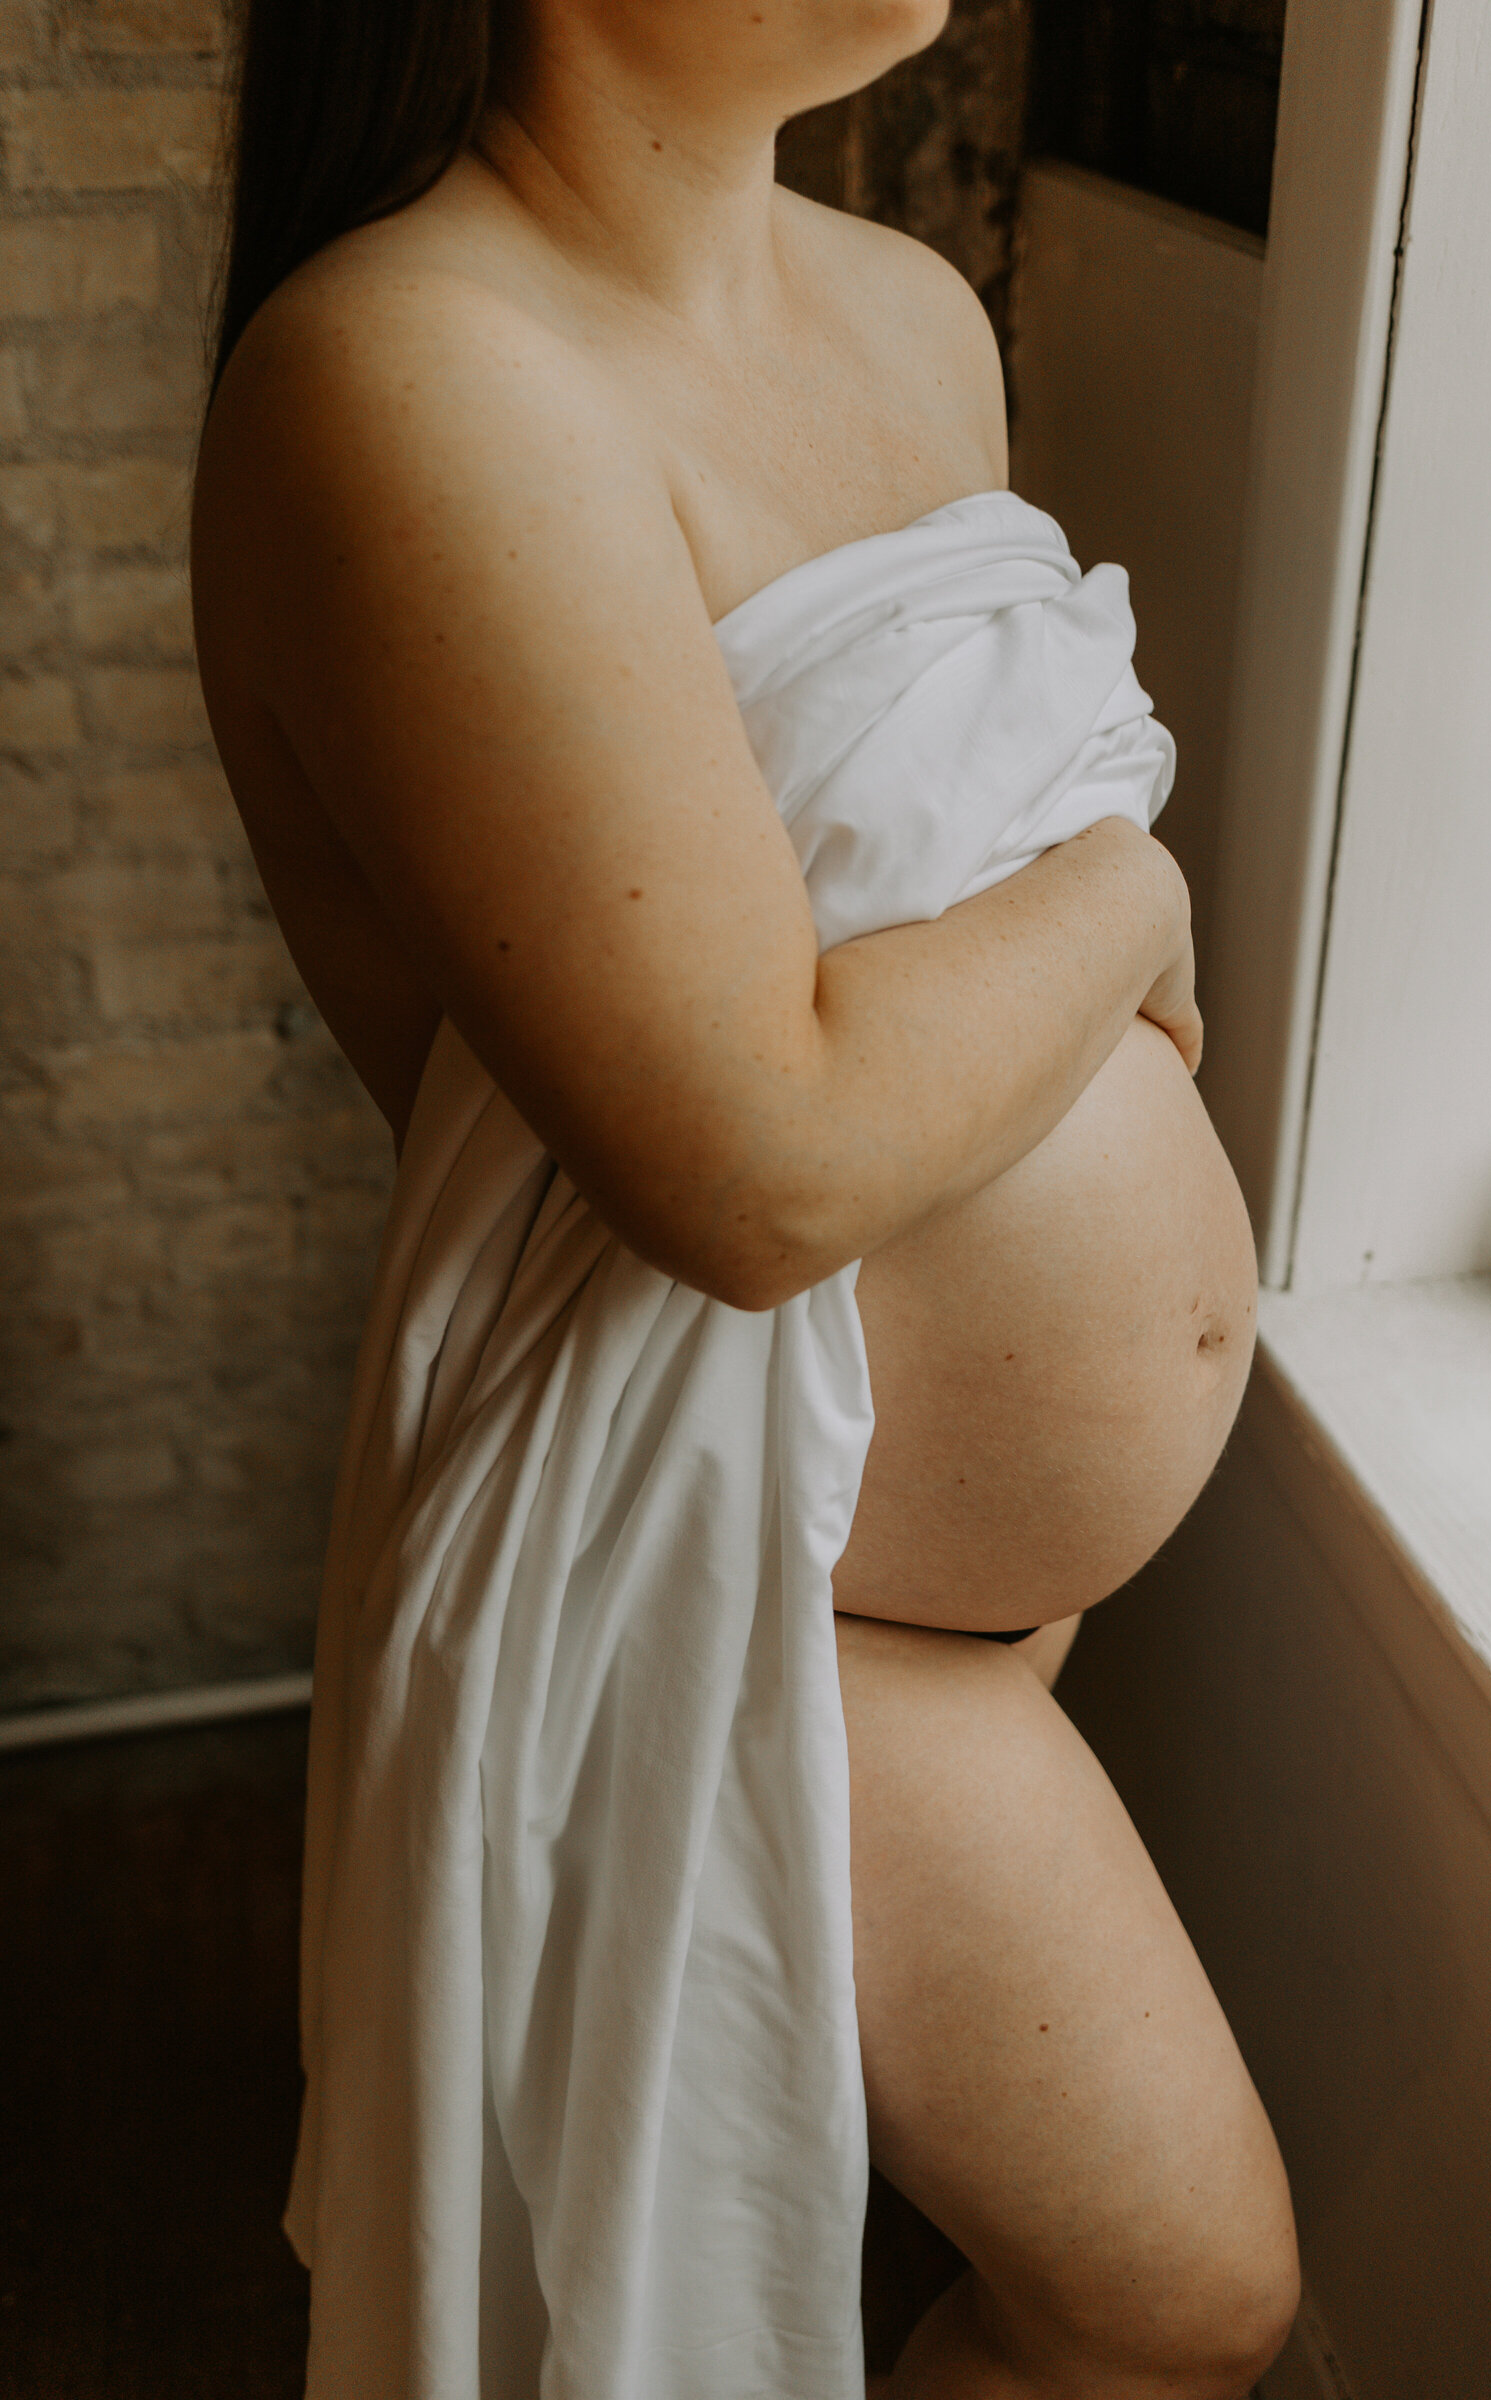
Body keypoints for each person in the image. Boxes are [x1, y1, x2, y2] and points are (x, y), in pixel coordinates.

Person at [191, 2, 1300, 2393]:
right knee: (1177, 2308)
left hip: (915, 1568)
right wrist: (1130, 900)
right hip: (720, 1591)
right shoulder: (409, 370)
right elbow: (762, 1161)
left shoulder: (907, 307)